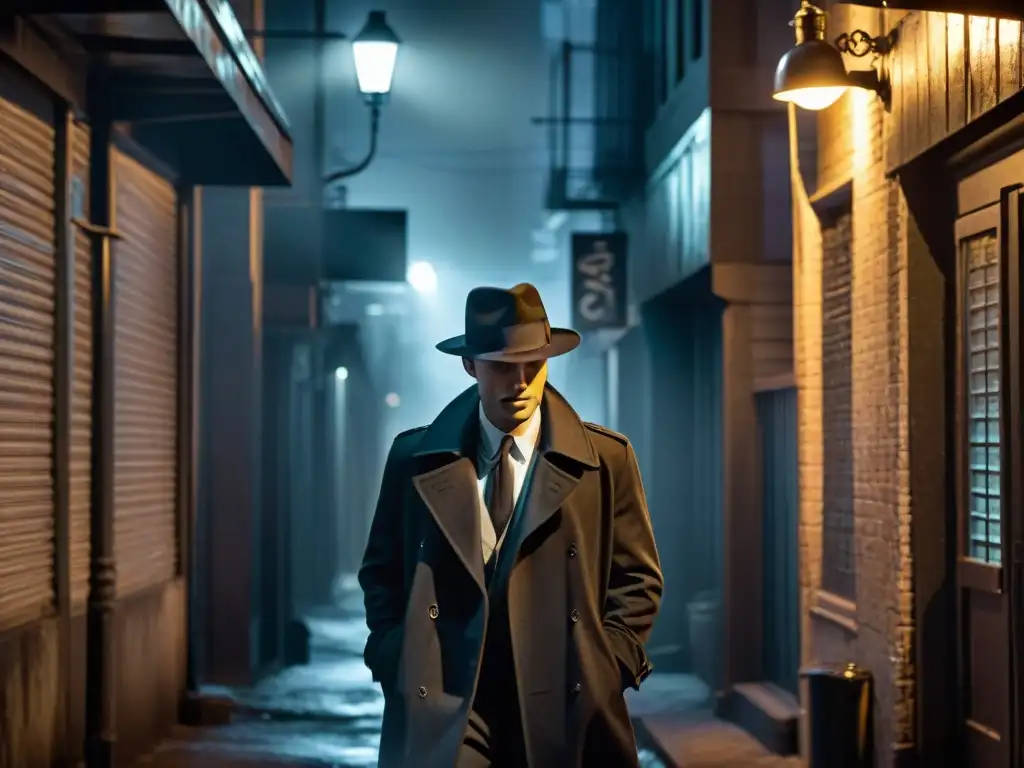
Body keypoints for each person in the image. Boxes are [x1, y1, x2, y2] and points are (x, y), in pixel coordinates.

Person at [358, 282, 663, 768]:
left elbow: (638, 581)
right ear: (470, 365)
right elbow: (381, 571)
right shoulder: (415, 459)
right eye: (502, 367)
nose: (519, 382)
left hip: (565, 694)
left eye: (533, 366)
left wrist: (606, 667)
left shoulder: (605, 461)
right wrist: (395, 654)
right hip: (447, 695)